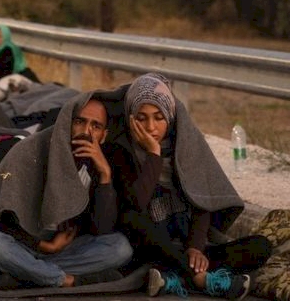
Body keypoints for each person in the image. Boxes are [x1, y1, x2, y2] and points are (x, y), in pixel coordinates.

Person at [108, 73, 272, 300]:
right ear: (130, 118)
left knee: (260, 246)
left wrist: (195, 247)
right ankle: (200, 279)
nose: (151, 127)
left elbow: (202, 199)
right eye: (142, 118)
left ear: (171, 117)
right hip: (148, 248)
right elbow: (136, 204)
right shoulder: (120, 151)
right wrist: (153, 156)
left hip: (185, 246)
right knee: (131, 218)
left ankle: (172, 277)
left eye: (158, 117)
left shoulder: (185, 146)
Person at [0, 91, 133, 290]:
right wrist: (43, 246)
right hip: (19, 243)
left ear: (103, 135)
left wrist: (105, 175)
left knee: (120, 247)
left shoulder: (99, 165)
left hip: (59, 252)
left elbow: (101, 228)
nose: (86, 131)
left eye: (96, 126)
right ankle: (64, 280)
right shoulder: (31, 150)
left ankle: (25, 275)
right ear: (66, 123)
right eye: (79, 121)